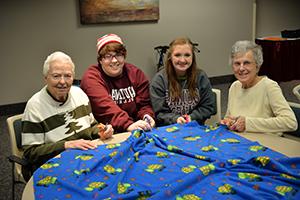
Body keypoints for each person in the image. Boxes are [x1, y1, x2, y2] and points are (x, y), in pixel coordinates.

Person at [22, 51, 114, 176]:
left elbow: (92, 125)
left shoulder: (79, 94)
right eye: (56, 76)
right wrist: (66, 145)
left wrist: (101, 131)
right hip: (56, 165)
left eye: (68, 76)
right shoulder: (34, 106)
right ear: (45, 78)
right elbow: (31, 153)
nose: (63, 82)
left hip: (86, 157)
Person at [80, 33, 155, 133]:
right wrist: (128, 124)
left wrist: (147, 116)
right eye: (108, 56)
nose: (114, 60)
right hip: (107, 133)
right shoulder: (91, 77)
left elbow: (144, 104)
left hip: (137, 129)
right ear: (100, 60)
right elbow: (105, 108)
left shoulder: (136, 74)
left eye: (119, 55)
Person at [221, 40, 297, 136]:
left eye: (247, 63)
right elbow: (229, 117)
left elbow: (290, 122)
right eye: (237, 63)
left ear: (257, 66)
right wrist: (228, 122)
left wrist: (247, 123)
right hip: (239, 141)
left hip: (266, 144)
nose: (241, 68)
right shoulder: (234, 86)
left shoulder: (269, 86)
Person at [150, 37, 216, 126]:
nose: (182, 60)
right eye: (177, 55)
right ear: (170, 57)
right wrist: (175, 119)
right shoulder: (159, 80)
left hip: (195, 127)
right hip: (169, 129)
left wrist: (192, 117)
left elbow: (209, 107)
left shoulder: (201, 77)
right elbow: (158, 113)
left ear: (193, 57)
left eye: (187, 55)